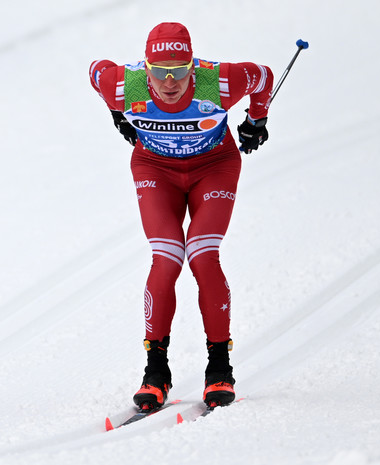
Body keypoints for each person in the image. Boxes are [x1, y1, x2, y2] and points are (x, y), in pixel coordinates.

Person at [89, 22, 272, 410]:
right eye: (159, 71)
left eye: (179, 69)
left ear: (194, 64)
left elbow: (263, 77)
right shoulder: (124, 85)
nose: (169, 80)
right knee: (168, 256)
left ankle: (219, 368)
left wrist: (257, 119)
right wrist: (115, 113)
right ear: (146, 67)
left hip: (214, 167)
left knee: (203, 255)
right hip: (155, 169)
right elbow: (95, 71)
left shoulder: (220, 81)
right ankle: (156, 373)